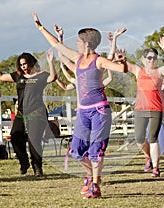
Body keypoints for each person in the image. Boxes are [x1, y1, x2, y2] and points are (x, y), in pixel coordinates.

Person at [33, 12, 127, 198]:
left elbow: (121, 69)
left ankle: (95, 185)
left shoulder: (99, 60)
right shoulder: (77, 58)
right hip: (84, 112)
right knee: (76, 151)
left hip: (99, 111)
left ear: (87, 43)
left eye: (78, 41)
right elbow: (56, 45)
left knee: (95, 152)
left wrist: (123, 62)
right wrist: (40, 27)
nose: (76, 43)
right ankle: (91, 176)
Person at [0, 51, 57, 176]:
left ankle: (37, 167)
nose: (23, 66)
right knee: (15, 136)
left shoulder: (41, 76)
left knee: (34, 140)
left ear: (31, 63)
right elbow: (1, 76)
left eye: (25, 64)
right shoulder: (18, 76)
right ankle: (24, 162)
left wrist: (50, 62)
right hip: (21, 112)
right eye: (21, 64)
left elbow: (53, 77)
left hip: (37, 112)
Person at [126, 36, 164, 176]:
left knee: (153, 138)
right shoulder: (138, 70)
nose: (152, 60)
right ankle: (148, 157)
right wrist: (114, 44)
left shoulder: (159, 71)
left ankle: (156, 167)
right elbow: (124, 63)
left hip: (156, 108)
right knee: (139, 138)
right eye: (149, 57)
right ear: (143, 59)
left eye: (154, 58)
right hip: (140, 109)